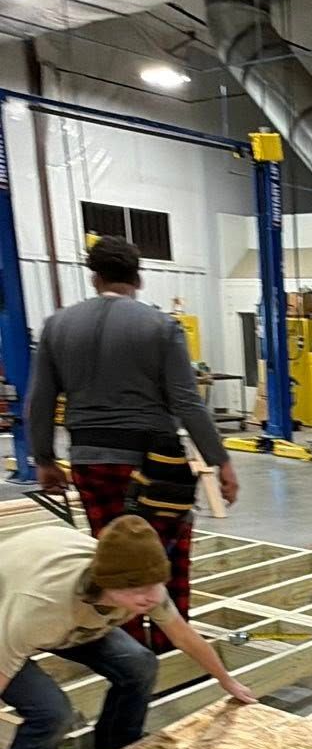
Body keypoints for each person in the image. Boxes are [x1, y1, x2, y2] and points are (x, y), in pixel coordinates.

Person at [25, 237, 238, 651]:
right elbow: (186, 401)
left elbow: (41, 401)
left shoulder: (57, 327)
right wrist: (220, 461)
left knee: (115, 560)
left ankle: (125, 651)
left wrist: (45, 458)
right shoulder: (160, 326)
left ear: (95, 276)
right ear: (138, 278)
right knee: (164, 560)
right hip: (153, 464)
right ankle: (166, 646)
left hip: (89, 462)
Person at [0, 514, 255, 749]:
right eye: (137, 590)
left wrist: (227, 681)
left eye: (155, 584)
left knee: (139, 663)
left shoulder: (144, 584)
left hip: (63, 607)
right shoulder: (41, 608)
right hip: (13, 612)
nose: (150, 597)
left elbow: (183, 636)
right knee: (53, 714)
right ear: (106, 584)